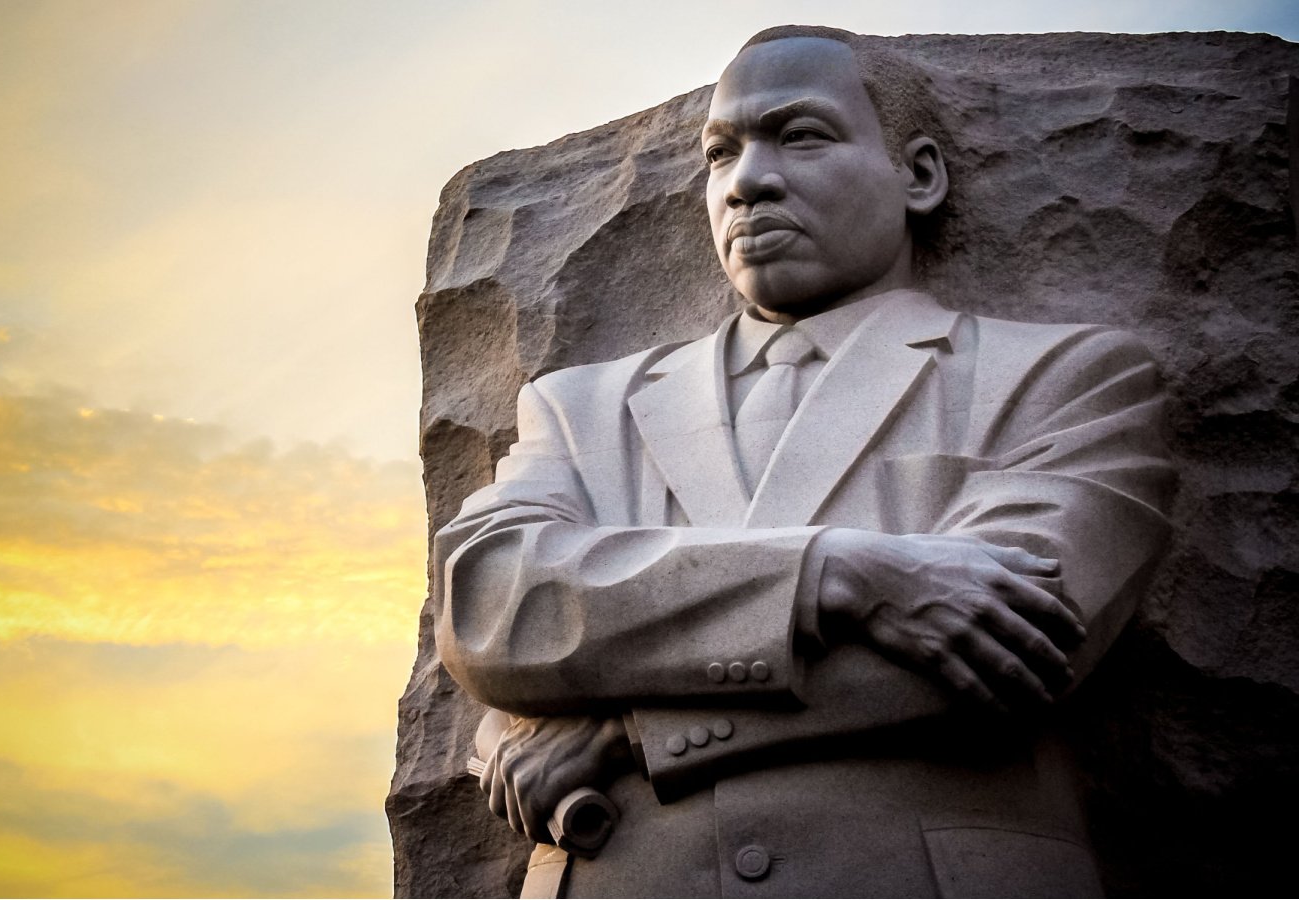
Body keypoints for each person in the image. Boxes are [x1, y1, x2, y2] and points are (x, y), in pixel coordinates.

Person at [432, 25, 1175, 898]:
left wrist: (620, 729)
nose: (746, 182)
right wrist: (838, 573)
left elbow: (1018, 639)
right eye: (721, 154)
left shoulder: (1063, 378)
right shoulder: (580, 408)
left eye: (802, 135)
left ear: (919, 175)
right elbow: (489, 605)